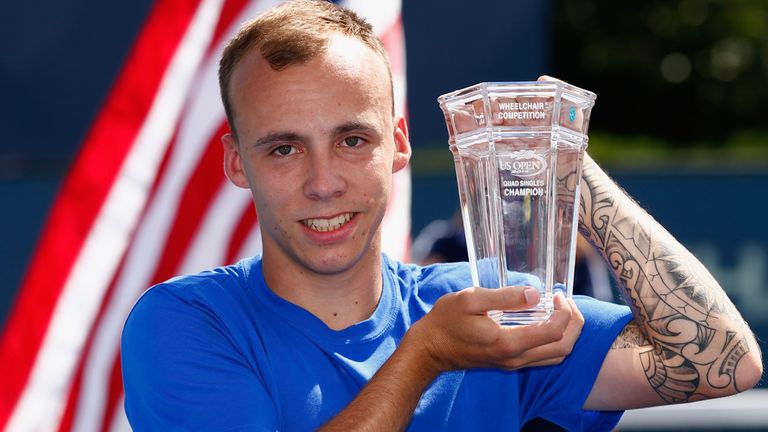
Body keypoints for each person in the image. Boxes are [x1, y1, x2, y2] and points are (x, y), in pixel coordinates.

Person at [120, 1, 763, 430]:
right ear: (238, 164)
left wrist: (569, 163)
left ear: (399, 144)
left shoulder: (479, 309)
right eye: (284, 148)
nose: (323, 183)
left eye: (352, 140)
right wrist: (426, 355)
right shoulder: (186, 321)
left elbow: (723, 363)